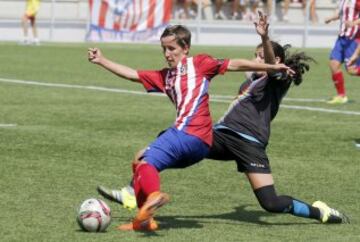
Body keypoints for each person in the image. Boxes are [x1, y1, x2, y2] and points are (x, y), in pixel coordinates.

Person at [97, 13, 349, 226]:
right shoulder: (250, 81)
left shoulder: (276, 80)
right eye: (256, 55)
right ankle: (135, 192)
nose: (256, 59)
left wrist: (264, 40)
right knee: (158, 147)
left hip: (250, 144)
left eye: (260, 56)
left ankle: (320, 211)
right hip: (222, 135)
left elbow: (270, 64)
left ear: (277, 61)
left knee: (270, 202)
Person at [89, 24, 291, 231]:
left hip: (189, 132)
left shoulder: (200, 63)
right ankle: (144, 220)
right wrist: (102, 61)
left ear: (185, 48)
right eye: (164, 49)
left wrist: (271, 67)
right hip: (200, 147)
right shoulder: (165, 76)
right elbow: (132, 74)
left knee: (147, 162)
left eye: (172, 49)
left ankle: (151, 196)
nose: (167, 54)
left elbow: (234, 64)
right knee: (141, 159)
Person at [324, 0, 360, 104]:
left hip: (353, 38)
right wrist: (331, 18)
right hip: (342, 37)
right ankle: (341, 96)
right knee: (333, 64)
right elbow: (342, 14)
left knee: (351, 69)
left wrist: (354, 23)